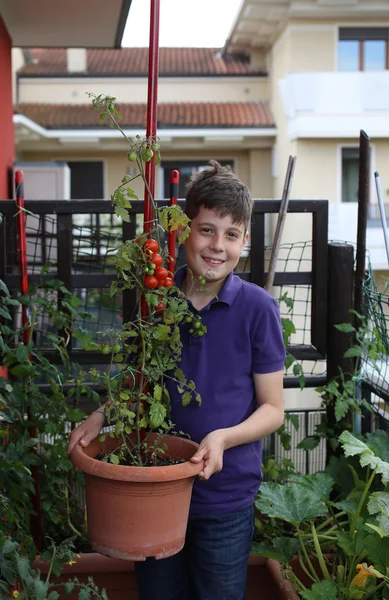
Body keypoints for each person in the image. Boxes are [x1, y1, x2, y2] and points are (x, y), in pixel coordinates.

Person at [67, 160, 285, 600]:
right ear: (184, 230)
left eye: (231, 235)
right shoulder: (156, 301)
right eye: (206, 230)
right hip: (154, 485)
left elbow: (273, 409)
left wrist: (223, 438)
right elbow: (138, 382)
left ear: (244, 241)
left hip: (223, 496)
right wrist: (99, 417)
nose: (217, 246)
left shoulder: (257, 309)